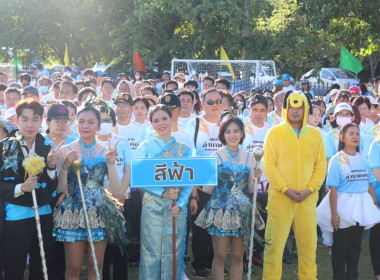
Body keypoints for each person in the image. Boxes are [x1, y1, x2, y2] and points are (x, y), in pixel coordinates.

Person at [54, 106, 127, 279]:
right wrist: (65, 166)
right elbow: (59, 188)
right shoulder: (65, 150)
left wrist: (111, 163)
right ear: (76, 123)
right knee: (73, 266)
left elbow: (116, 190)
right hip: (72, 212)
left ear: (99, 126)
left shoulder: (105, 151)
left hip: (99, 212)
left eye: (91, 122)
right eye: (81, 121)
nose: (85, 126)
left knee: (96, 265)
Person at [262, 91, 327, 279]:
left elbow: (321, 165)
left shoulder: (315, 135)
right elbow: (268, 165)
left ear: (306, 109)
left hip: (307, 200)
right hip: (280, 199)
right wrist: (284, 189)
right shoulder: (274, 133)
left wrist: (311, 189)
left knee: (308, 249)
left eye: (300, 107)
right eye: (292, 106)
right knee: (274, 248)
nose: (296, 111)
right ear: (285, 109)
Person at [195, 113, 262, 280]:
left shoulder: (250, 157)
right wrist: (196, 183)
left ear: (241, 134)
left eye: (236, 131)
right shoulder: (214, 157)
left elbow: (251, 188)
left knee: (238, 257)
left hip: (242, 212)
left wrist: (257, 177)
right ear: (222, 135)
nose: (232, 135)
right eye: (228, 132)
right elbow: (208, 189)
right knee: (220, 257)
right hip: (219, 212)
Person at [0, 99, 62, 279]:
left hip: (43, 213)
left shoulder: (46, 146)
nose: (30, 124)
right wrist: (21, 187)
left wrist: (51, 166)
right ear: (16, 121)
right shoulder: (5, 147)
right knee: (14, 265)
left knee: (42, 265)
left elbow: (52, 186)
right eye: (25, 119)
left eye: (35, 119)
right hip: (16, 215)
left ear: (41, 121)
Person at [135, 104, 193, 279]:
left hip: (176, 208)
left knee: (173, 250)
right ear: (151, 124)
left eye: (164, 119)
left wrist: (181, 204)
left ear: (171, 119)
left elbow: (190, 180)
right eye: (156, 120)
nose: (161, 123)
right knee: (150, 250)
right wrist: (162, 193)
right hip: (152, 206)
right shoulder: (145, 147)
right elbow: (138, 178)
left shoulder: (185, 149)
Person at [317, 123, 380, 279]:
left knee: (355, 247)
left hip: (360, 208)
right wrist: (334, 214)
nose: (355, 137)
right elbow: (332, 188)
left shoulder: (363, 159)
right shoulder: (336, 160)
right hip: (342, 208)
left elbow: (369, 185)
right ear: (342, 137)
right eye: (351, 134)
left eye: (357, 134)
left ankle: (353, 276)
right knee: (340, 247)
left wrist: (374, 205)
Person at [185, 88, 224, 278]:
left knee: (219, 224)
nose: (214, 105)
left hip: (223, 180)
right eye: (210, 102)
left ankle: (216, 261)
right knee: (200, 225)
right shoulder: (194, 123)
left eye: (218, 101)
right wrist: (193, 188)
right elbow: (189, 155)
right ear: (202, 104)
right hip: (200, 180)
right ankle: (200, 263)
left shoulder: (227, 122)